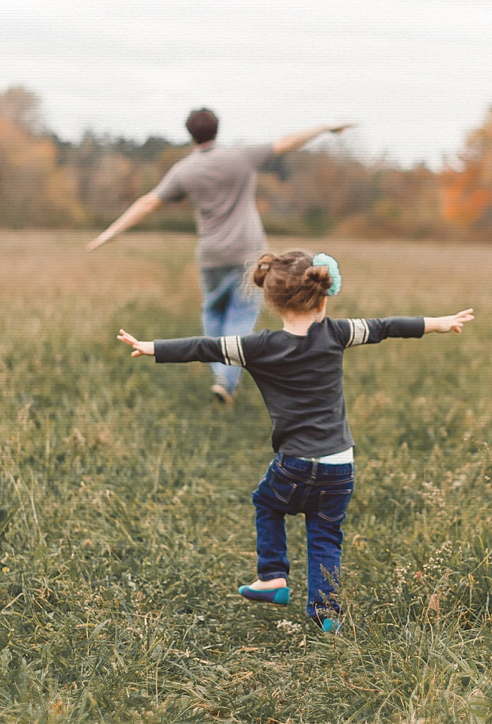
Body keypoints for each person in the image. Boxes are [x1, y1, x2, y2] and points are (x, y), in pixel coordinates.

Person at [116, 249, 473, 633]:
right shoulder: (338, 333)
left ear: (272, 301)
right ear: (322, 294)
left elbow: (206, 347)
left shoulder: (258, 347)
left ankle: (272, 576)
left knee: (266, 502)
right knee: (325, 534)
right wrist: (439, 322)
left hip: (296, 463)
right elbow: (386, 327)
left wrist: (152, 347)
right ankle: (327, 614)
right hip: (340, 464)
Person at [87, 108, 354, 405]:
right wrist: (324, 128)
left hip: (212, 255)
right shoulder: (240, 157)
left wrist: (110, 232)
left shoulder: (184, 170)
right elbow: (287, 142)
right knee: (241, 315)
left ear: (191, 134)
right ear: (217, 129)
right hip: (250, 253)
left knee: (212, 312)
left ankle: (221, 369)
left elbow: (149, 202)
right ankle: (225, 379)